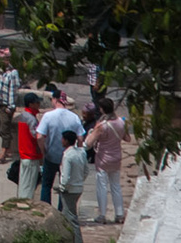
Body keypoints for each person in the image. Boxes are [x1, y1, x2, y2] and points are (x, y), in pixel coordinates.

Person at [37, 91, 86, 202]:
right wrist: (78, 152)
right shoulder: (74, 117)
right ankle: (62, 212)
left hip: (51, 155)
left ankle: (46, 209)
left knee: (46, 185)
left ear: (55, 100)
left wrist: (43, 151)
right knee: (64, 185)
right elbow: (80, 138)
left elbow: (39, 137)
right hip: (67, 156)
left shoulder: (48, 116)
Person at [88, 96, 129, 224]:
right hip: (116, 158)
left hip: (103, 158)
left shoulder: (102, 126)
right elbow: (127, 138)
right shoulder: (121, 122)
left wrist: (91, 132)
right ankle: (119, 214)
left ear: (102, 109)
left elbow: (89, 142)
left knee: (102, 186)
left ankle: (102, 215)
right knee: (116, 186)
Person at [15, 92, 44, 201]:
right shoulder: (31, 119)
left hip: (24, 154)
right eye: (37, 102)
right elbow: (36, 136)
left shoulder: (23, 116)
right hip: (31, 155)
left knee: (23, 183)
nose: (39, 104)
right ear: (31, 104)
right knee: (29, 186)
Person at [0, 50, 23, 158]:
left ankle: (3, 152)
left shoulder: (13, 73)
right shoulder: (2, 72)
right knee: (0, 128)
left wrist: (11, 107)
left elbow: (13, 90)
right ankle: (8, 150)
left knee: (4, 129)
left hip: (6, 106)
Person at [57, 130, 90, 222]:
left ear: (66, 141)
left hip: (69, 190)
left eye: (63, 139)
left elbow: (65, 177)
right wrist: (79, 181)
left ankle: (77, 236)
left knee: (71, 216)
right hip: (78, 188)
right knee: (66, 214)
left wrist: (62, 187)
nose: (61, 141)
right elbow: (86, 171)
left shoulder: (67, 156)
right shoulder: (81, 153)